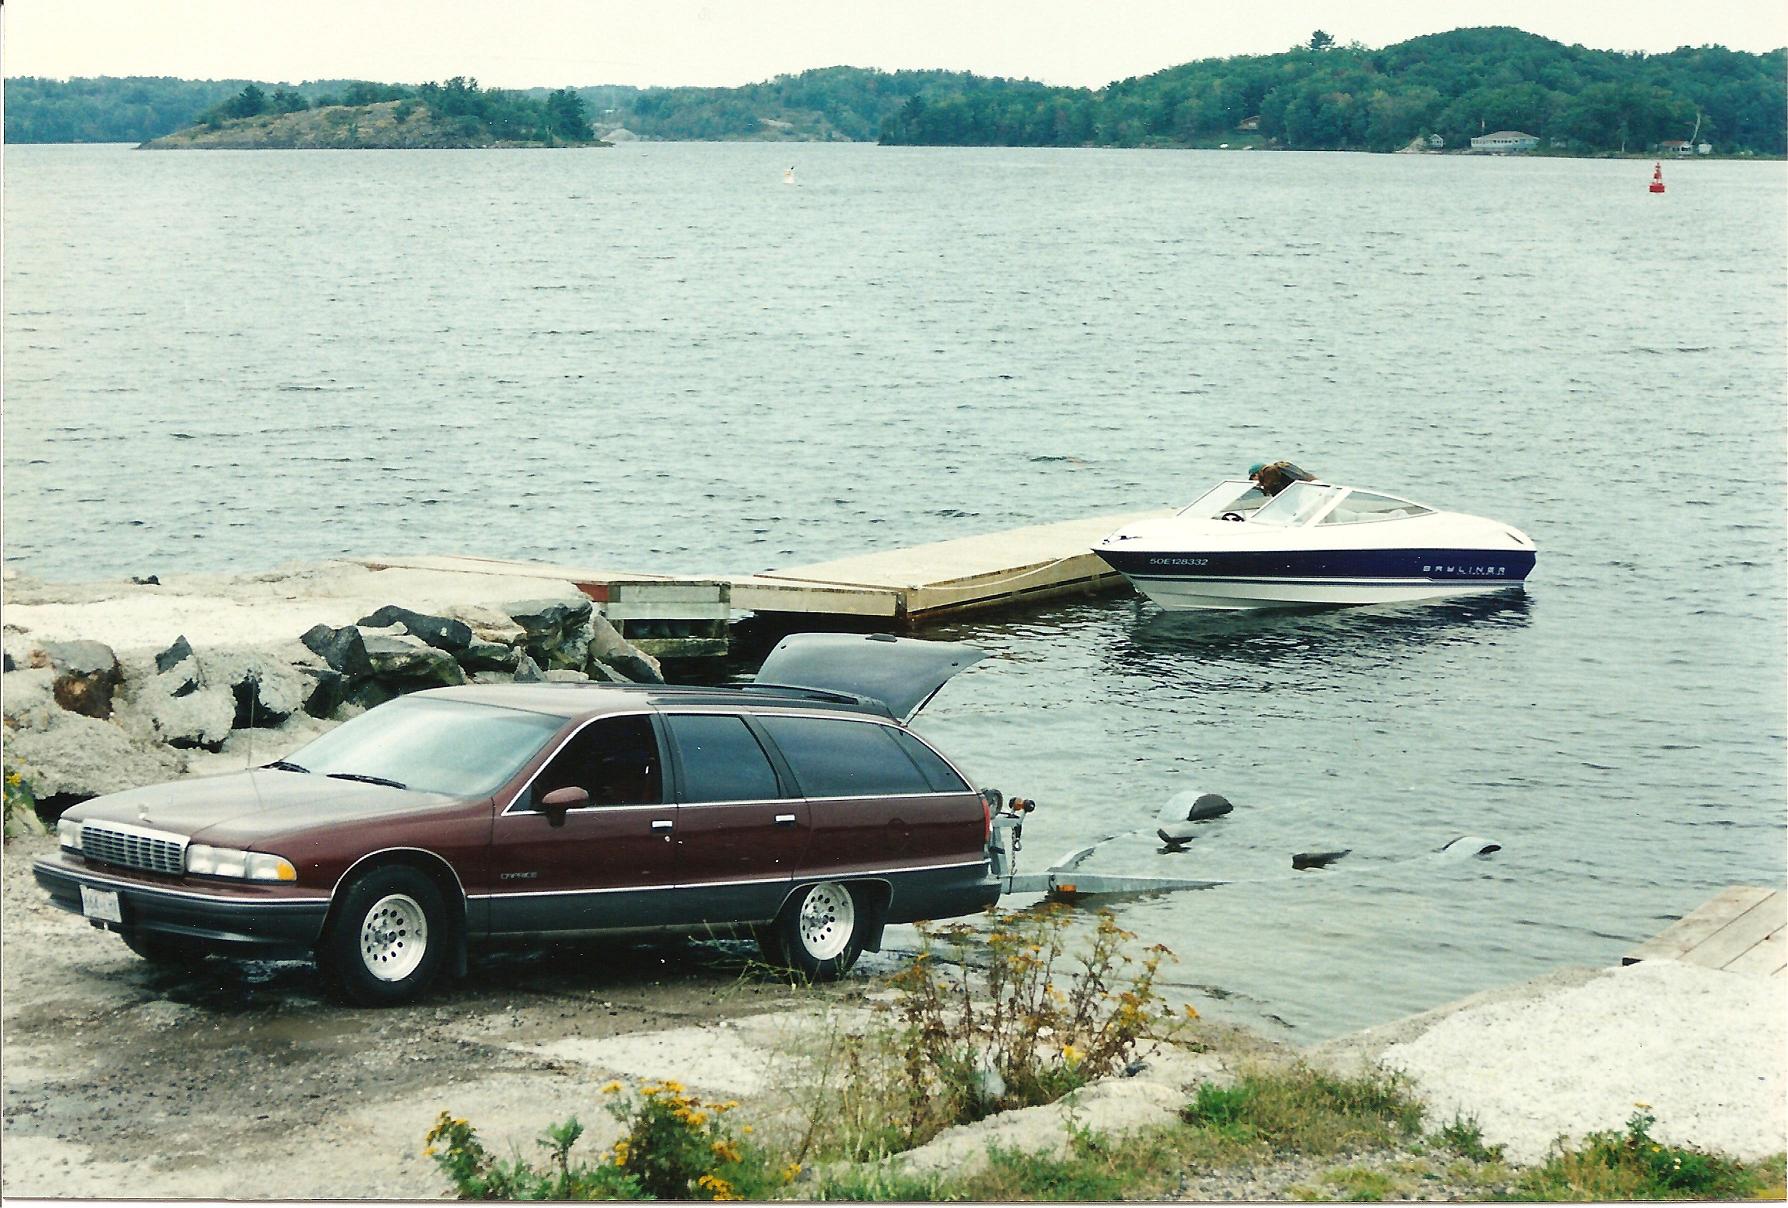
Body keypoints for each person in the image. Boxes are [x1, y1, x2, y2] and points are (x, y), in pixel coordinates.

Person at [1248, 460, 1315, 497]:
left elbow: (1275, 491)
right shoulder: (1281, 467)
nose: (1254, 479)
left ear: (1258, 474)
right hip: (1313, 485)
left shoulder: (1270, 473)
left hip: (1306, 491)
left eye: (1253, 476)